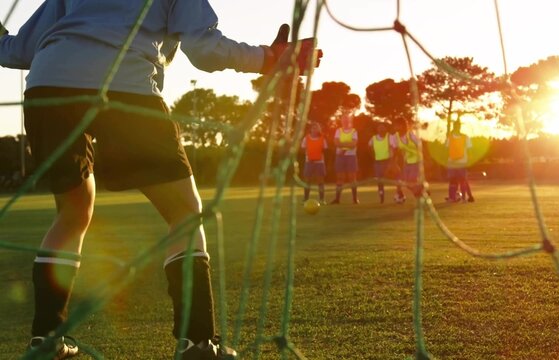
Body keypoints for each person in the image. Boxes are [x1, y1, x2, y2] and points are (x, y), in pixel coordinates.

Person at [0, 1, 321, 359]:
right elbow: (204, 50)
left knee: (73, 212)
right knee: (186, 212)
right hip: (125, 86)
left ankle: (46, 341)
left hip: (47, 85)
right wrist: (270, 58)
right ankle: (198, 343)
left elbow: (15, 51)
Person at [331, 114, 359, 204]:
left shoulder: (354, 131)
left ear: (350, 121)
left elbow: (353, 144)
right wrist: (347, 145)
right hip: (340, 156)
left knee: (352, 177)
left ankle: (355, 199)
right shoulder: (338, 131)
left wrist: (342, 146)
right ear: (341, 121)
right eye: (344, 119)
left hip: (351, 156)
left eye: (347, 119)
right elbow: (336, 143)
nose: (345, 121)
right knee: (339, 177)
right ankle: (337, 199)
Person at [445, 121, 474, 203]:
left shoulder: (452, 137)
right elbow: (470, 150)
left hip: (456, 161)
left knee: (459, 180)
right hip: (457, 161)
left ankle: (457, 197)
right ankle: (458, 197)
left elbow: (446, 149)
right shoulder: (463, 137)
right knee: (459, 180)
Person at [368, 123, 397, 203]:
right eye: (379, 128)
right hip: (378, 162)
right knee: (380, 181)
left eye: (383, 128)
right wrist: (373, 156)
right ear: (377, 129)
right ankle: (381, 198)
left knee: (396, 178)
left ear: (385, 129)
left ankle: (399, 193)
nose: (381, 129)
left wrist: (392, 161)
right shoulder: (373, 138)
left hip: (388, 161)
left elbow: (394, 148)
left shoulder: (389, 137)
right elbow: (369, 146)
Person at [301, 122, 328, 203]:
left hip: (320, 162)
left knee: (320, 181)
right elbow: (303, 148)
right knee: (307, 181)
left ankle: (322, 199)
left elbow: (325, 149)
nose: (315, 129)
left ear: (319, 129)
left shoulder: (323, 139)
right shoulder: (306, 138)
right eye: (313, 128)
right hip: (309, 162)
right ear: (311, 129)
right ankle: (305, 199)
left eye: (316, 128)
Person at [397, 122, 423, 198]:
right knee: (406, 183)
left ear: (403, 126)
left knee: (411, 180)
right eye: (396, 126)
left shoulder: (411, 135)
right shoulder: (398, 137)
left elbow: (419, 145)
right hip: (407, 162)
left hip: (416, 161)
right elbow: (401, 149)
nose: (396, 128)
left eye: (398, 125)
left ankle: (419, 194)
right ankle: (422, 190)